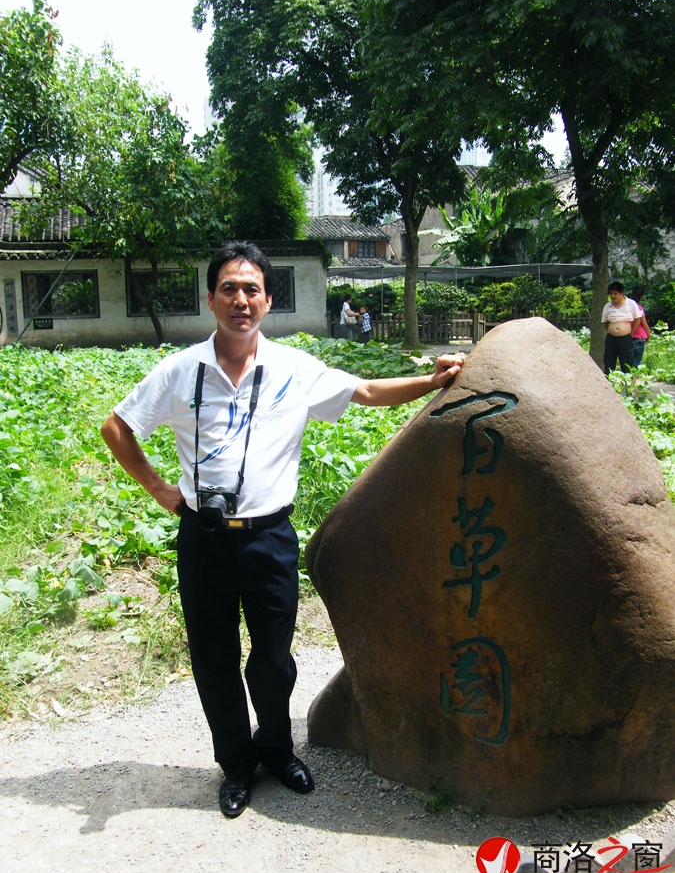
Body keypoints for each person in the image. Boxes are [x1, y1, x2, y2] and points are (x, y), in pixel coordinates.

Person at [101, 241, 465, 820]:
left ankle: (276, 750)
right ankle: (236, 764)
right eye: (228, 288)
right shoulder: (181, 370)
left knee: (273, 660)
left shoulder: (294, 369)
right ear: (211, 298)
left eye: (251, 289)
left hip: (269, 538)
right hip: (203, 538)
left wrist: (432, 380)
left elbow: (367, 392)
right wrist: (158, 488)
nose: (240, 300)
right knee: (214, 659)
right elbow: (117, 427)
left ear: (268, 300)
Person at [601, 280, 641, 374]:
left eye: (615, 293)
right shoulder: (607, 306)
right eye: (611, 294)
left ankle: (627, 383)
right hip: (611, 339)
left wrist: (630, 332)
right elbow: (604, 322)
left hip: (625, 339)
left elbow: (637, 320)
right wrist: (612, 330)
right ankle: (609, 382)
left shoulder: (631, 304)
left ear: (622, 293)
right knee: (609, 363)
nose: (613, 296)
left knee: (627, 363)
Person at [629, 286, 650, 367]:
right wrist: (648, 335)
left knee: (628, 362)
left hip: (628, 336)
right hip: (639, 338)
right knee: (636, 363)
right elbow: (644, 324)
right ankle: (633, 376)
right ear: (641, 296)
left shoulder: (626, 307)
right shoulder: (639, 308)